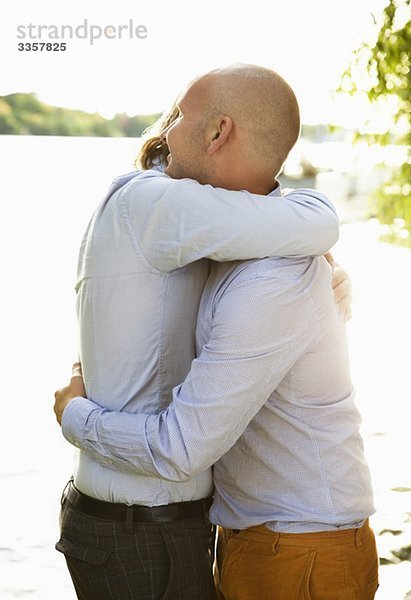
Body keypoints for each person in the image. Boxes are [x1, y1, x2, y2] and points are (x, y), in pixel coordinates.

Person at [54, 63, 347, 600]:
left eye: (180, 117)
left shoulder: (169, 216)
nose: (165, 131)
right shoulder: (153, 204)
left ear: (218, 132)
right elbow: (317, 222)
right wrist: (75, 416)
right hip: (139, 524)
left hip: (141, 522)